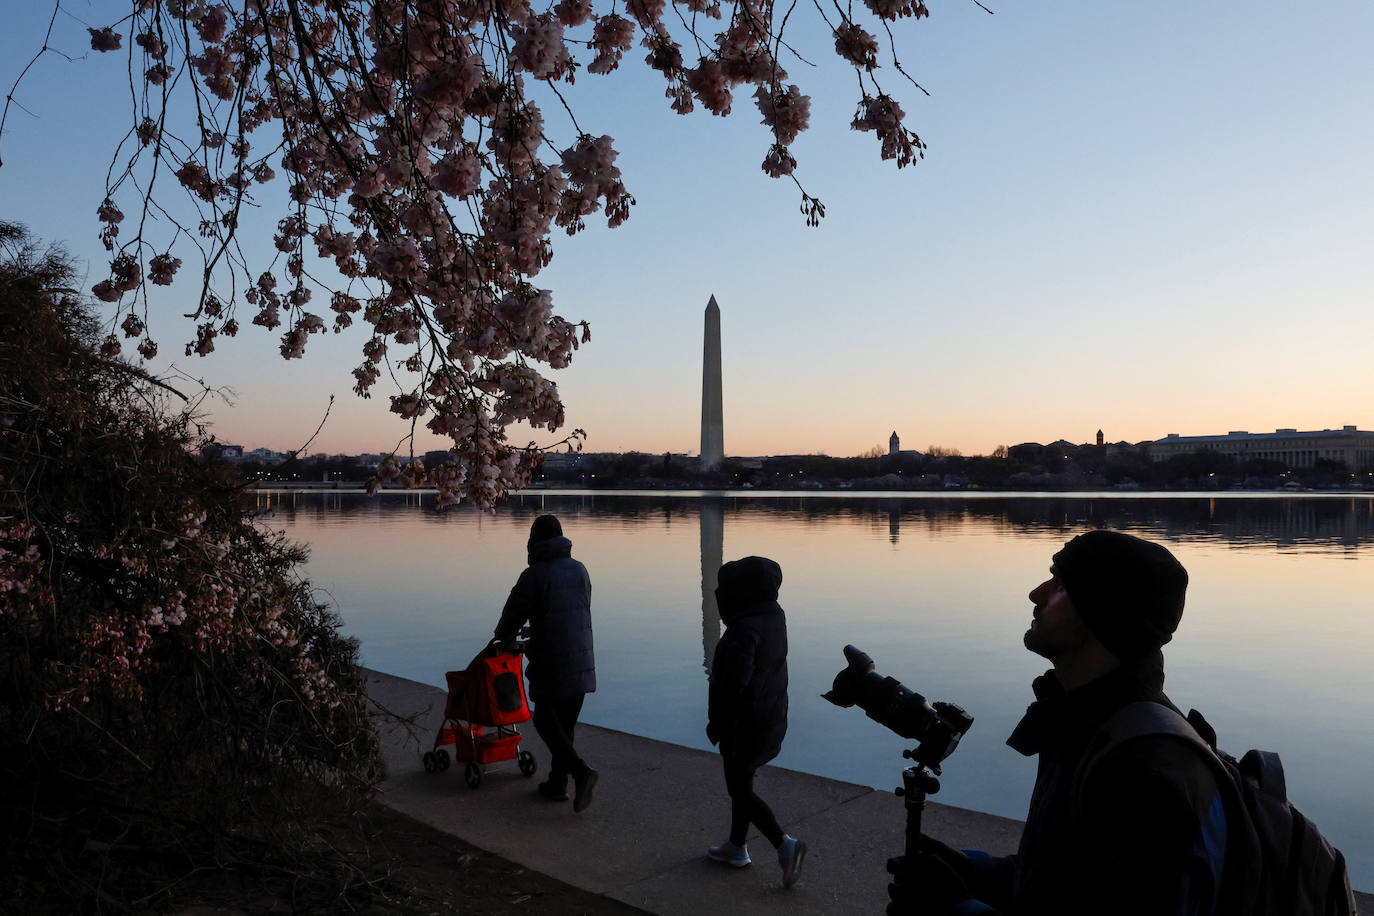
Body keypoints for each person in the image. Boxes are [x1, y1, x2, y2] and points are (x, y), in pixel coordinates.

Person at [893, 530, 1228, 916]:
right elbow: (1068, 884)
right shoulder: (1089, 720)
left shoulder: (1142, 770)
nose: (1036, 594)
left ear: (1099, 612)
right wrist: (973, 873)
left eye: (1060, 585)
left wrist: (952, 910)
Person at [705, 556, 807, 888]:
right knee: (743, 783)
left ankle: (784, 844)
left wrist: (718, 724)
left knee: (738, 789)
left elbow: (732, 687)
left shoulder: (742, 632)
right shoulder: (773, 619)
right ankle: (736, 847)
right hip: (770, 717)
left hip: (743, 726)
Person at [494, 514, 599, 812]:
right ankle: (557, 784)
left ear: (534, 542)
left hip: (552, 660)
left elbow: (512, 615)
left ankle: (580, 772)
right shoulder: (580, 570)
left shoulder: (535, 575)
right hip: (582, 656)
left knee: (544, 719)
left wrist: (505, 636)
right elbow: (569, 610)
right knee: (565, 724)